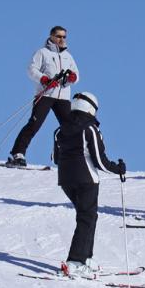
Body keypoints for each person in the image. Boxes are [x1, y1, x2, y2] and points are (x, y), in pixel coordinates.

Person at [52, 92, 126, 278]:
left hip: (66, 180)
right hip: (87, 179)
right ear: (91, 108)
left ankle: (86, 258)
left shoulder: (60, 130)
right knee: (87, 217)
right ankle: (76, 261)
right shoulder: (90, 129)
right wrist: (118, 169)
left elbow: (55, 158)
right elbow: (100, 161)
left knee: (87, 216)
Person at [7, 26, 79, 167]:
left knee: (70, 128)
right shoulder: (43, 53)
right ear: (51, 36)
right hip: (46, 94)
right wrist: (44, 79)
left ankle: (74, 158)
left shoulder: (68, 56)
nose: (61, 39)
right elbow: (31, 69)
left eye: (64, 37)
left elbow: (76, 75)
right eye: (59, 36)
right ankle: (18, 153)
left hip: (63, 97)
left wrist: (72, 77)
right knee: (34, 124)